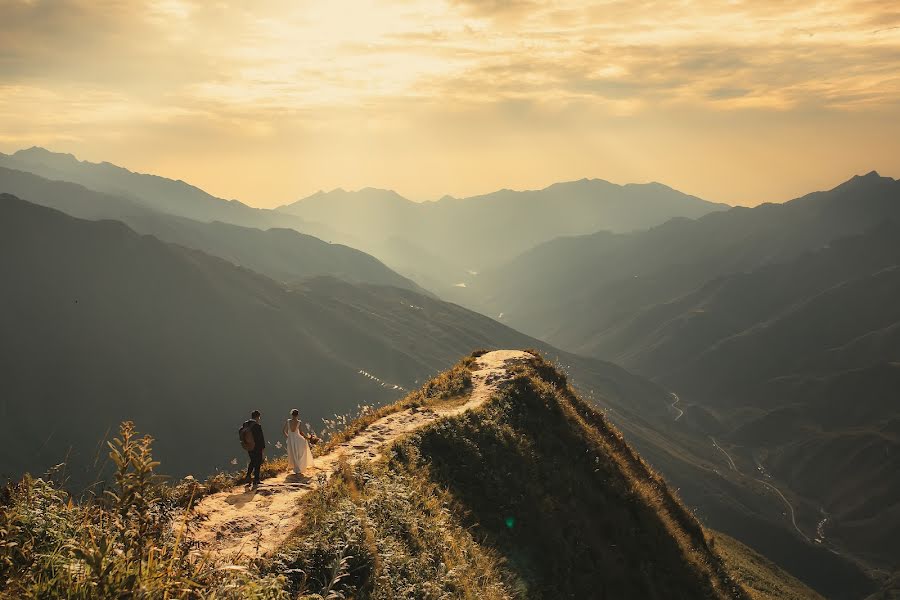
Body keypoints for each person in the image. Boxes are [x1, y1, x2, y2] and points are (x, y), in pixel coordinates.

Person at [283, 409, 313, 475]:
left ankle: (295, 468)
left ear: (291, 414)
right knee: (299, 452)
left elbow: (283, 431)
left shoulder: (288, 421)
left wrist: (288, 436)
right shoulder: (299, 422)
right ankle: (299, 467)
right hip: (297, 438)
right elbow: (301, 432)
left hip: (291, 439)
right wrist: (307, 438)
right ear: (297, 415)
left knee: (292, 453)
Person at [242, 410, 266, 487]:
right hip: (257, 447)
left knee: (252, 461)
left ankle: (248, 476)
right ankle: (256, 479)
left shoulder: (246, 424)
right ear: (258, 417)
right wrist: (262, 449)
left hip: (248, 446)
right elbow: (260, 439)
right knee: (258, 462)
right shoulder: (257, 426)